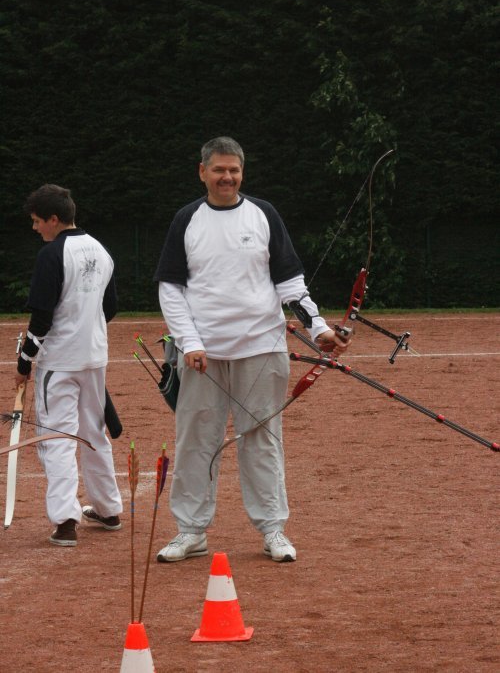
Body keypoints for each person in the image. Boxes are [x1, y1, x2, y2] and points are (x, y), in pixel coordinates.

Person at [154, 137, 350, 563]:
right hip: (203, 356)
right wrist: (190, 342)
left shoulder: (264, 214)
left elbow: (290, 284)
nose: (227, 177)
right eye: (219, 170)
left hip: (261, 348)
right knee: (195, 440)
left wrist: (318, 328)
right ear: (202, 172)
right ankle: (191, 531)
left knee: (262, 438)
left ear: (242, 172)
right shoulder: (187, 219)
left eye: (234, 170)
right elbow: (170, 288)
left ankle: (273, 529)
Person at [15, 184, 122, 546]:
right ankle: (108, 509)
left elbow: (42, 317)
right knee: (94, 432)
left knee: (57, 437)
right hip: (94, 358)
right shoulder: (101, 250)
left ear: (53, 219)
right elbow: (110, 308)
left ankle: (65, 521)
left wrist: (24, 361)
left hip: (59, 362)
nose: (35, 228)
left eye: (37, 221)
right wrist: (86, 328)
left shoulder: (52, 254)